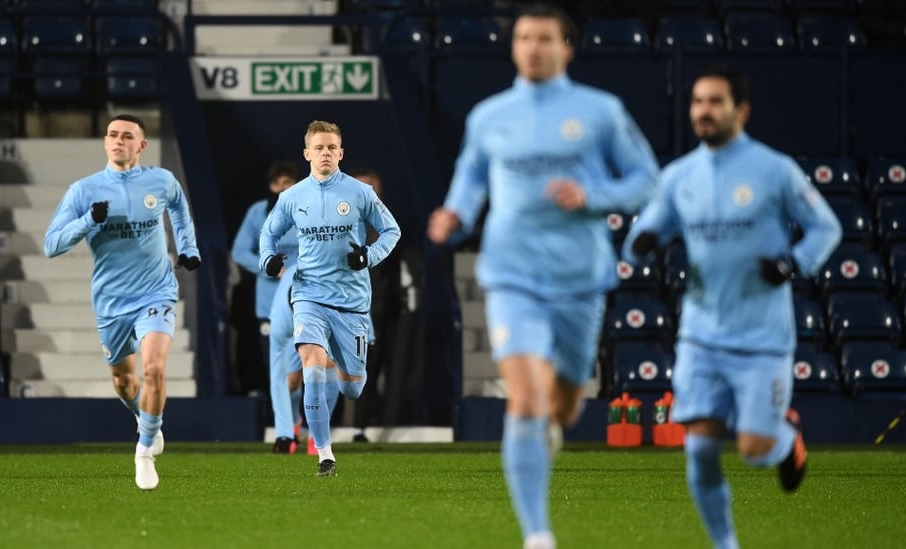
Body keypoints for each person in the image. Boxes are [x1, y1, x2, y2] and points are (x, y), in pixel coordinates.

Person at [426, 5, 659, 548]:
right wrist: (454, 216)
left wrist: (595, 197)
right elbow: (470, 179)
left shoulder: (600, 112)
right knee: (525, 398)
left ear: (566, 48)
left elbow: (647, 180)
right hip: (511, 274)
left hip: (580, 275)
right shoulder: (489, 116)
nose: (533, 47)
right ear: (513, 48)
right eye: (524, 38)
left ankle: (554, 424)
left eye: (544, 38)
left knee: (565, 405)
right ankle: (537, 534)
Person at [622, 65, 842, 549]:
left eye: (715, 101)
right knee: (698, 448)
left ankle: (785, 441)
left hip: (762, 337)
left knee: (754, 449)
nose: (704, 110)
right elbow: (646, 231)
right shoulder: (679, 176)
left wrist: (793, 263)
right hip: (701, 334)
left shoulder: (774, 170)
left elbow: (827, 227)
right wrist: (639, 244)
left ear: (740, 111)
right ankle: (726, 545)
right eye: (698, 101)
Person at [44, 114, 201, 491]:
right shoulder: (84, 191)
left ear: (141, 145)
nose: (118, 141)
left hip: (156, 290)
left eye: (127, 136)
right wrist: (87, 221)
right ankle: (148, 420)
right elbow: (52, 245)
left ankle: (144, 452)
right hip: (112, 300)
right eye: (112, 135)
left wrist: (187, 247)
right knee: (123, 380)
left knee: (155, 369)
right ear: (105, 142)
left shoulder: (160, 181)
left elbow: (179, 205)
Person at [260, 120, 401, 476]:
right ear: (307, 153)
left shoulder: (360, 193)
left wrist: (368, 255)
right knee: (312, 371)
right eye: (318, 148)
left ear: (340, 153)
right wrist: (269, 259)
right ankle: (325, 454)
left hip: (351, 302)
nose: (325, 153)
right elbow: (269, 234)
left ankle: (349, 377)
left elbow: (391, 230)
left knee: (352, 387)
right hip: (308, 295)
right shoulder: (291, 198)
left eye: (331, 148)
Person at [231, 159, 301, 451]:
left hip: (307, 299)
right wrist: (268, 267)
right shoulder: (258, 212)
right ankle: (288, 430)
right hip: (269, 303)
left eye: (289, 183)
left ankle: (298, 424)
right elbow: (239, 250)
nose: (283, 188)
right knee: (279, 367)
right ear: (271, 186)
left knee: (303, 369)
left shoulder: (308, 210)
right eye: (278, 183)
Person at [348, 168, 403, 442]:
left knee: (375, 366)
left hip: (379, 308)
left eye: (372, 188)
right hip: (346, 305)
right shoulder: (340, 219)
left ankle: (363, 423)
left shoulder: (387, 224)